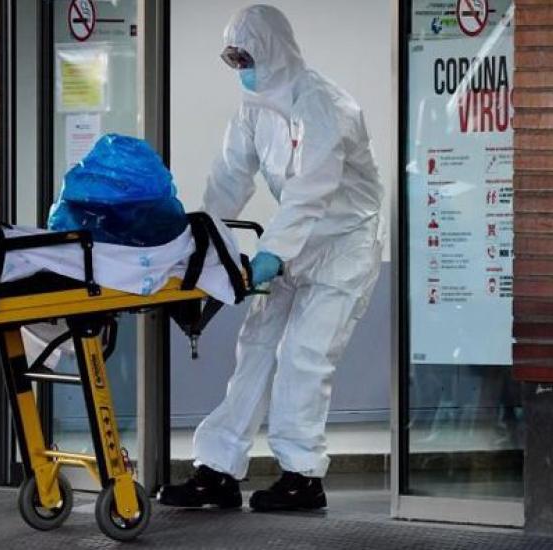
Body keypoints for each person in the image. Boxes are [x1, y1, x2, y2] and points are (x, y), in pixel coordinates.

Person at [157, 5, 383, 512]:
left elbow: (310, 192)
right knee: (255, 346)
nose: (241, 68)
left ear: (273, 50)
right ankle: (217, 469)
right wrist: (202, 242)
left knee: (304, 356)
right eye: (233, 59)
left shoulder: (324, 105)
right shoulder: (254, 107)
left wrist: (271, 254)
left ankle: (302, 476)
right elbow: (229, 176)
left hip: (344, 245)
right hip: (295, 243)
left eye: (246, 57)